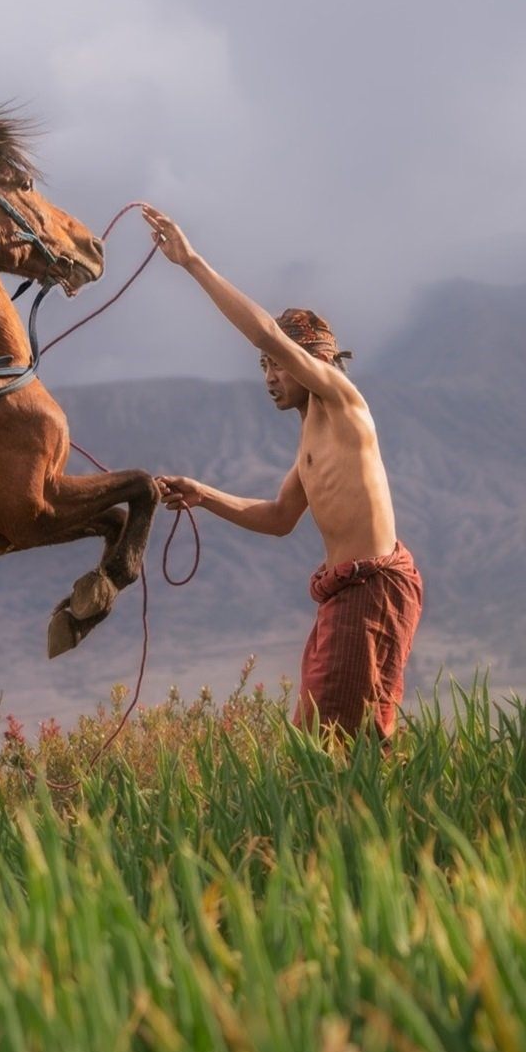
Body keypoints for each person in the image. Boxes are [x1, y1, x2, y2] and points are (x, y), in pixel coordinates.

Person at [141, 205, 423, 741]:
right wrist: (202, 494)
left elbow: (268, 333)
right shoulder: (309, 438)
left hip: (372, 587)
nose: (270, 376)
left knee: (331, 739)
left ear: (311, 364)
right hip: (345, 593)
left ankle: (363, 821)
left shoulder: (342, 402)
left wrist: (192, 261)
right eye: (264, 369)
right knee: (333, 738)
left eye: (278, 366)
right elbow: (277, 518)